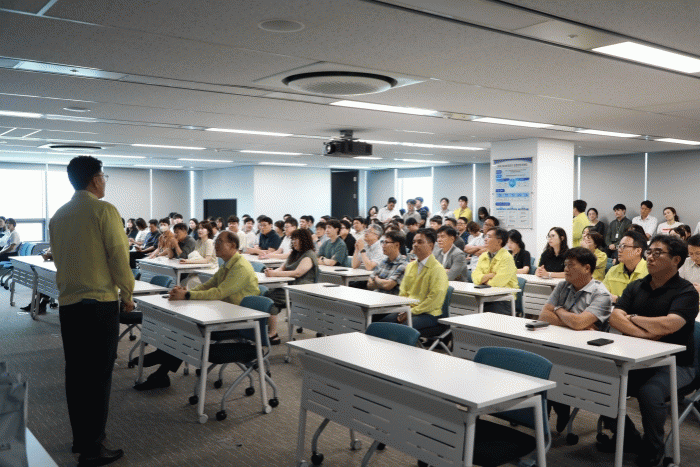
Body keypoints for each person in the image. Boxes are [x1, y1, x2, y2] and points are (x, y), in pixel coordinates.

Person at [49, 156, 134, 466]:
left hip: (69, 307)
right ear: (96, 179)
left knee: (76, 375)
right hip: (99, 305)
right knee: (98, 378)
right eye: (104, 177)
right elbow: (119, 256)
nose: (104, 182)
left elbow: (58, 257)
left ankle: (82, 439)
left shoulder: (58, 215)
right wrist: (128, 293)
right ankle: (93, 449)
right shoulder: (104, 210)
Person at [604, 235, 698, 466]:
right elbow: (615, 317)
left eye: (658, 253)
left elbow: (670, 324)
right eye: (649, 252)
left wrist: (633, 318)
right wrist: (647, 333)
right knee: (602, 383)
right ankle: (628, 437)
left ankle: (654, 447)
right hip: (637, 359)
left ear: (676, 260)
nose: (651, 257)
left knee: (650, 392)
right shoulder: (637, 285)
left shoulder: (686, 292)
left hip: (677, 364)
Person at [135, 231, 260, 389]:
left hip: (239, 320)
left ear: (233, 245)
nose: (215, 245)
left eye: (220, 242)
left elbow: (219, 292)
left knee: (189, 329)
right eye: (215, 241)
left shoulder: (240, 266)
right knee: (182, 323)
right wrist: (185, 291)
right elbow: (208, 285)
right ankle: (163, 358)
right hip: (223, 312)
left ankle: (163, 363)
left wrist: (187, 295)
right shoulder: (228, 264)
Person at [539, 247, 613, 432]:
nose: (565, 269)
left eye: (571, 265)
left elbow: (579, 323)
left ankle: (558, 407)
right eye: (565, 265)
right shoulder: (562, 285)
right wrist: (573, 322)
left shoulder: (601, 294)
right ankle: (549, 414)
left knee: (549, 368)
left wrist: (558, 310)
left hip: (585, 353)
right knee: (539, 363)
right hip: (558, 344)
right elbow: (543, 315)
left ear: (587, 268)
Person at [380, 229, 448, 330]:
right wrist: (403, 310)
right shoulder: (410, 266)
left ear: (431, 246)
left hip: (428, 313)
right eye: (414, 242)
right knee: (382, 325)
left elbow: (434, 300)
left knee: (399, 330)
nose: (415, 245)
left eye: (420, 242)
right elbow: (403, 291)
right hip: (408, 309)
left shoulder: (438, 269)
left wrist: (411, 312)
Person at [265, 228, 319, 344]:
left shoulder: (309, 255)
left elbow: (297, 273)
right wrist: (272, 272)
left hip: (301, 289)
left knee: (270, 298)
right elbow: (282, 268)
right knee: (268, 296)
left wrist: (275, 274)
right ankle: (272, 333)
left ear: (304, 240)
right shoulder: (294, 253)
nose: (293, 241)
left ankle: (272, 333)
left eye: (296, 239)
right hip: (289, 287)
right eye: (293, 239)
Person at [471, 228, 519, 314]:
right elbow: (475, 277)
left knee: (480, 313)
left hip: (503, 299)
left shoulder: (507, 257)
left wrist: (483, 281)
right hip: (485, 295)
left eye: (489, 237)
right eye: (485, 236)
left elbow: (498, 282)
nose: (485, 239)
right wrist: (489, 276)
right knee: (467, 304)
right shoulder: (483, 256)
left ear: (499, 241)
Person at [603, 230, 648, 303]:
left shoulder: (651, 272)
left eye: (623, 246)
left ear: (638, 251)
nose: (619, 250)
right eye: (619, 246)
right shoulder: (613, 270)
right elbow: (602, 295)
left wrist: (618, 299)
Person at [367, 230, 408, 296]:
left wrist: (376, 279)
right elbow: (369, 283)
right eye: (383, 242)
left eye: (386, 242)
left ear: (397, 245)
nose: (383, 246)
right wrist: (382, 283)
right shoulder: (383, 261)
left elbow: (388, 285)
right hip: (376, 296)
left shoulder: (403, 264)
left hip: (390, 300)